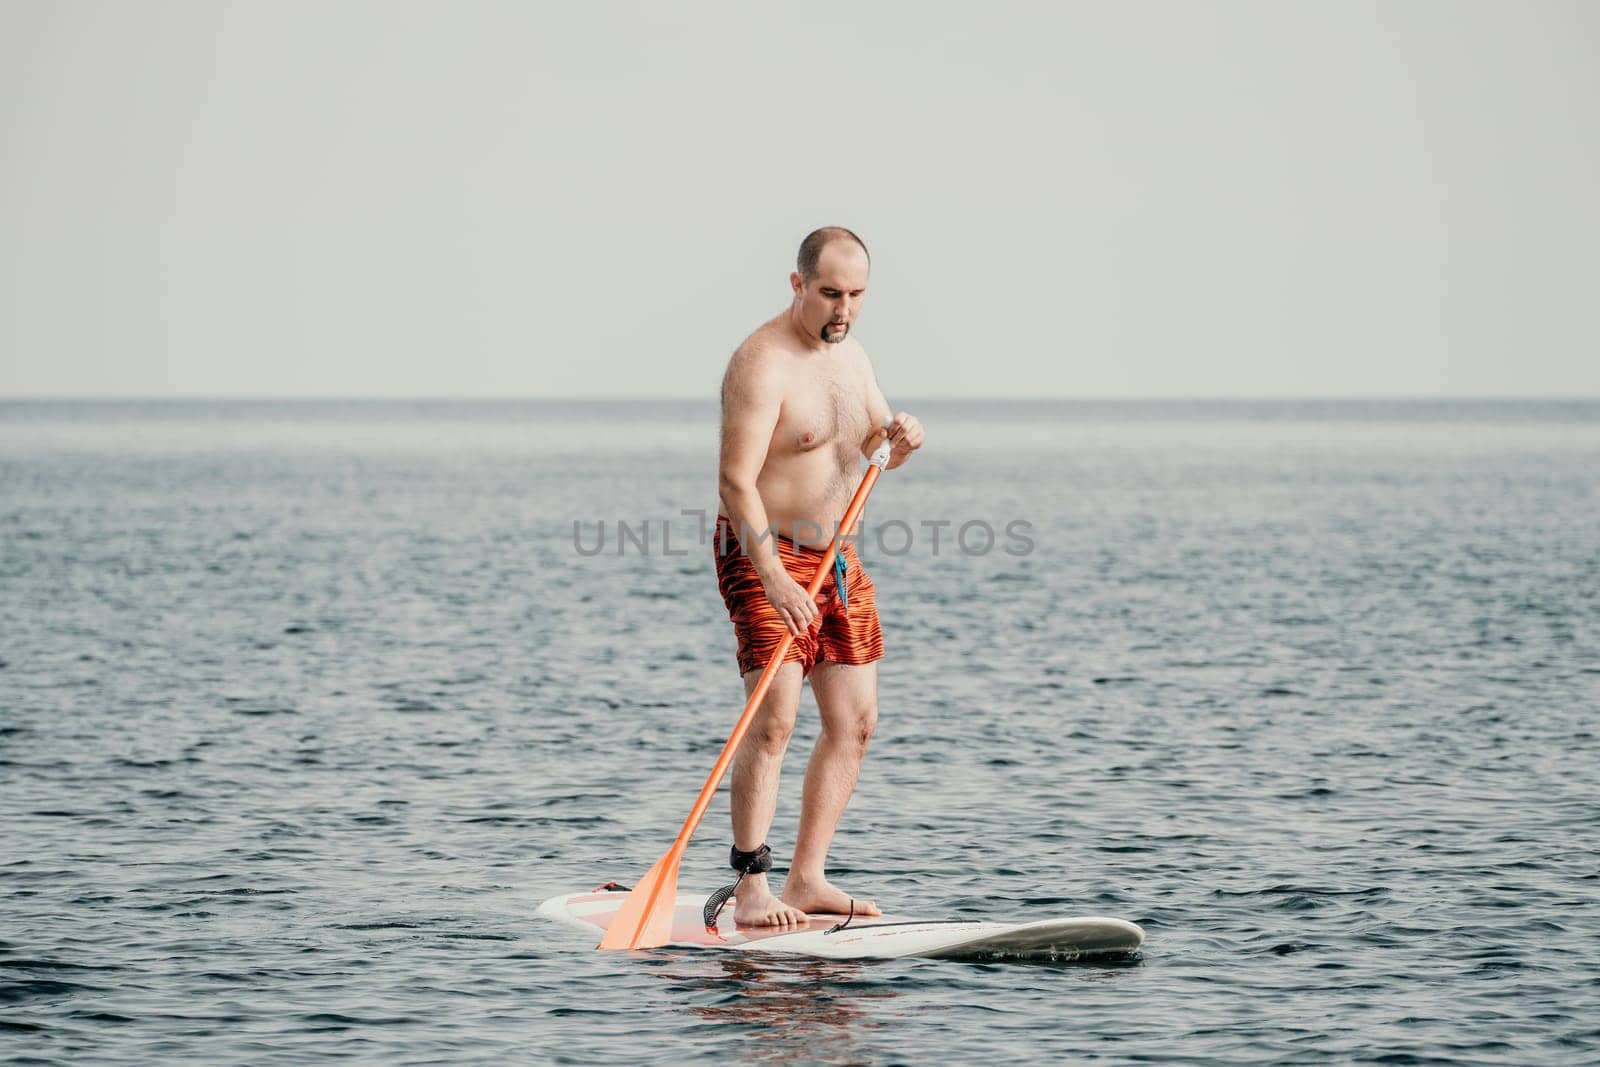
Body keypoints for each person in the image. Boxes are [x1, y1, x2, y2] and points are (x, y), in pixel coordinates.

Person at [714, 226, 924, 926]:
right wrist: (771, 575)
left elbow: (867, 446)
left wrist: (897, 440)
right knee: (773, 720)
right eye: (831, 293)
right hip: (765, 553)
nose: (844, 308)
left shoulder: (851, 354)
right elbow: (735, 483)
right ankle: (751, 887)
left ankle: (807, 877)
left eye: (857, 295)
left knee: (855, 721)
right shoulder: (760, 364)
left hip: (837, 558)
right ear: (798, 284)